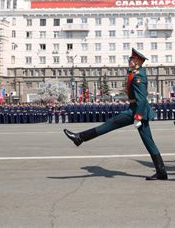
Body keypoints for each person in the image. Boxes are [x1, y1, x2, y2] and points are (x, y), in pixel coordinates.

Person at [63, 48, 167, 180]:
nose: (129, 61)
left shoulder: (138, 76)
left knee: (110, 123)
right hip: (135, 108)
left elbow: (141, 98)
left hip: (136, 110)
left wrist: (138, 116)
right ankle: (161, 171)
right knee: (148, 141)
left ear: (137, 62)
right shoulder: (135, 73)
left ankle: (80, 137)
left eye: (131, 59)